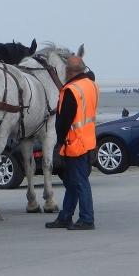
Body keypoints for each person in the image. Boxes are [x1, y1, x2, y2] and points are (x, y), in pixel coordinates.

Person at [46, 55, 99, 230]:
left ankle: (87, 219)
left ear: (71, 71)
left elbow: (63, 122)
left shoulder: (71, 90)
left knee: (79, 182)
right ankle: (65, 216)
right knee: (72, 182)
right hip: (88, 140)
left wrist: (59, 143)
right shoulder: (91, 85)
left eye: (66, 69)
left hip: (74, 143)